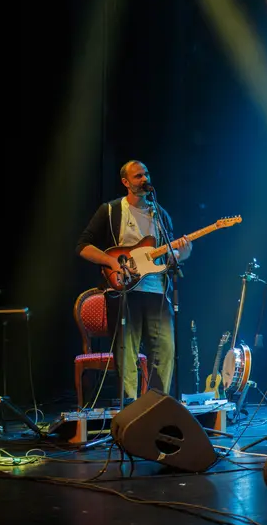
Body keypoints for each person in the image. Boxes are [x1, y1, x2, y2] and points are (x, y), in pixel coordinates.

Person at [76, 160, 192, 402]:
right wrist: (111, 262)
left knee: (165, 351)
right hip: (125, 292)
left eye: (146, 174)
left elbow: (169, 257)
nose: (144, 179)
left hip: (157, 292)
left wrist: (183, 252)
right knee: (127, 354)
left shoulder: (160, 215)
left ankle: (157, 404)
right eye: (138, 176)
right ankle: (129, 407)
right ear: (125, 182)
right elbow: (83, 246)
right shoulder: (111, 211)